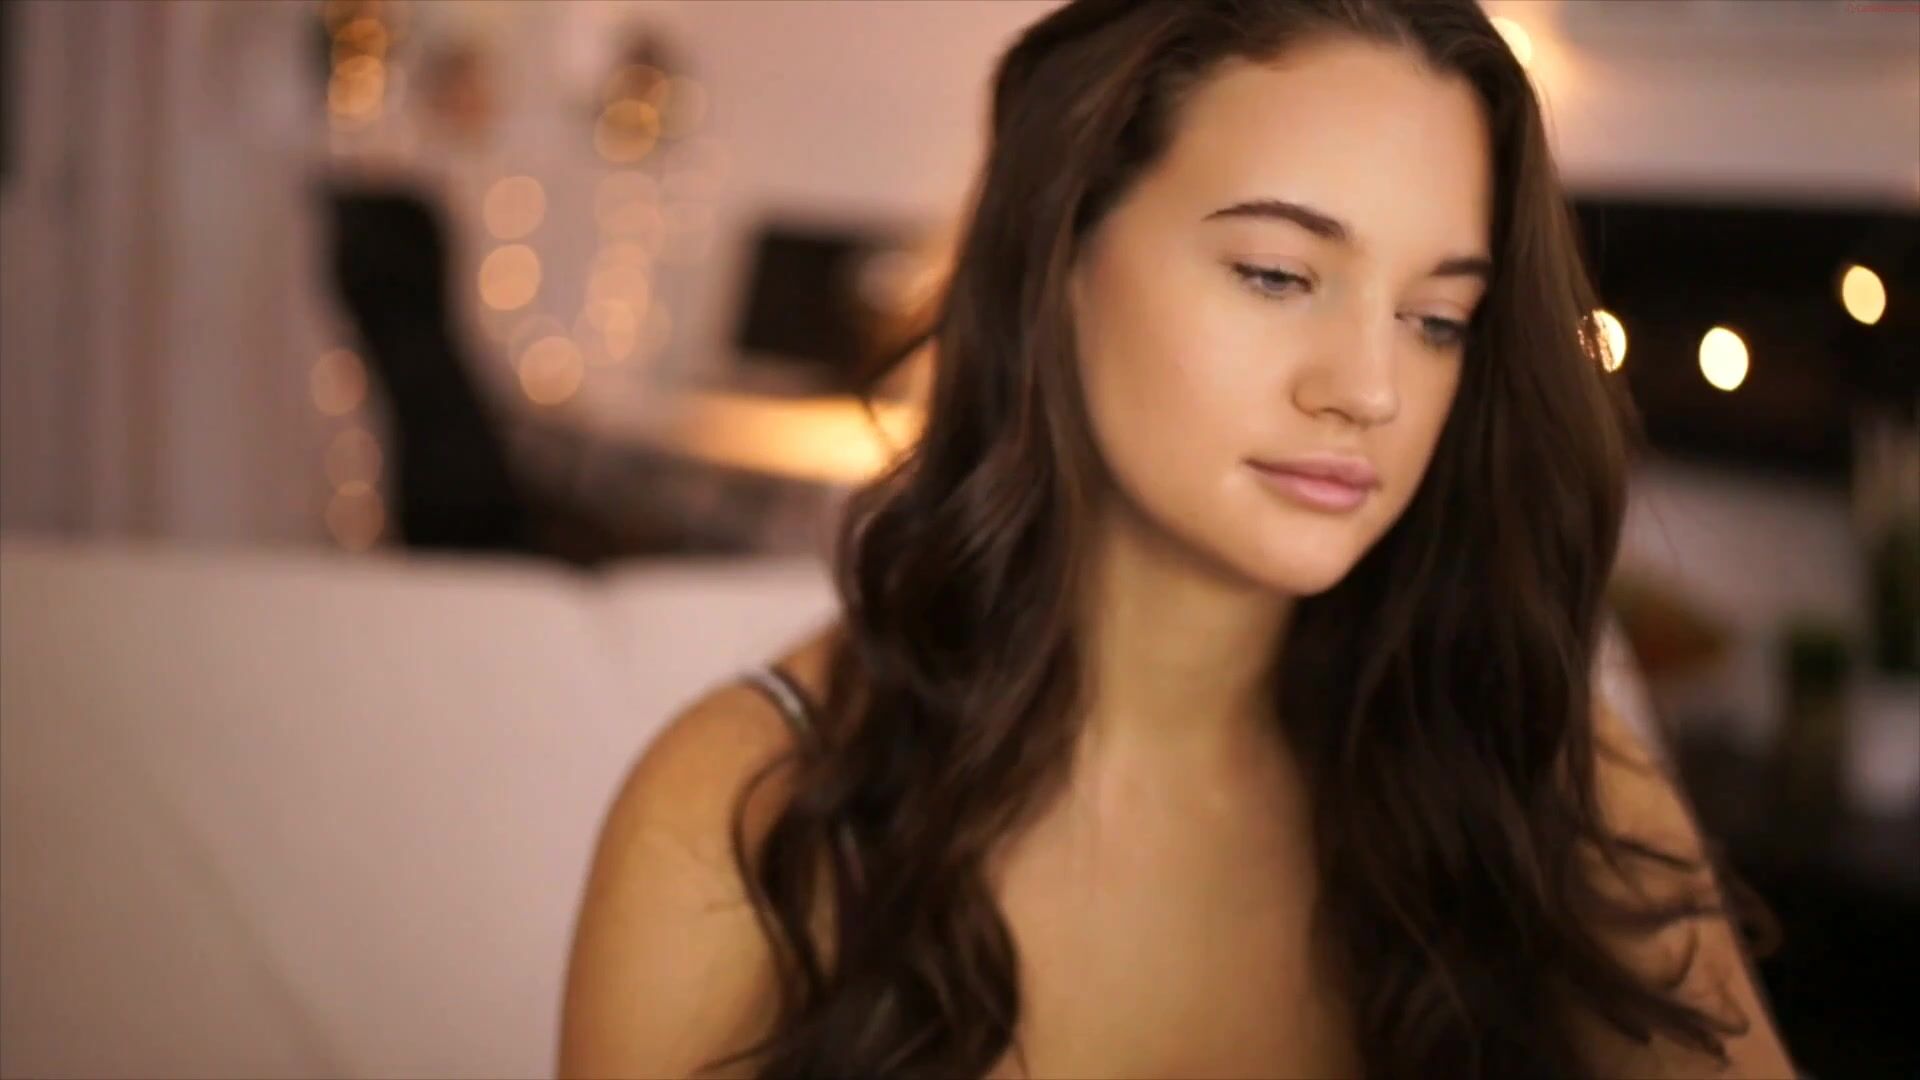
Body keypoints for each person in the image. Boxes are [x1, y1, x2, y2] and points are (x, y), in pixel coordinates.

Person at [558, 1, 1799, 1076]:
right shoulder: (750, 815)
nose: (1368, 389)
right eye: (1276, 275)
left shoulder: (1531, 767)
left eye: (1437, 319)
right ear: (1062, 256)